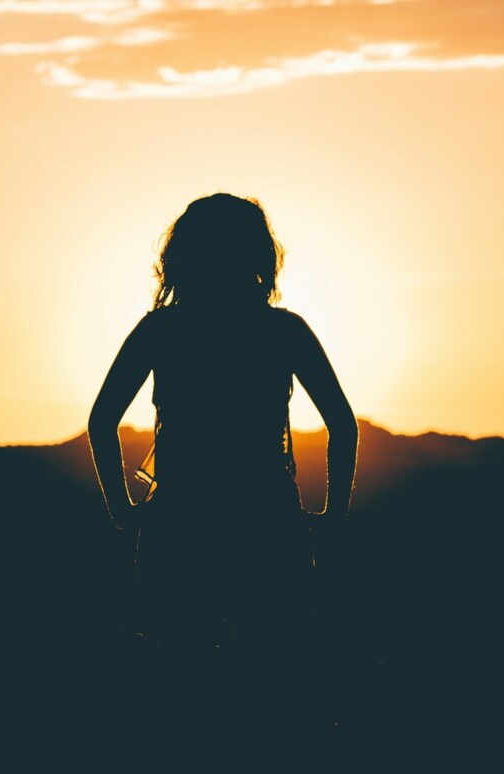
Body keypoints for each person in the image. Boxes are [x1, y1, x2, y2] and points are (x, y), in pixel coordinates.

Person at [87, 192, 358, 657]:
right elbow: (343, 425)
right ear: (257, 254)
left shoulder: (160, 330)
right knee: (277, 673)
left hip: (178, 521)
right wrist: (333, 516)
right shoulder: (284, 331)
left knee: (176, 675)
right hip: (268, 521)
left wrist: (123, 511)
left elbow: (101, 420)